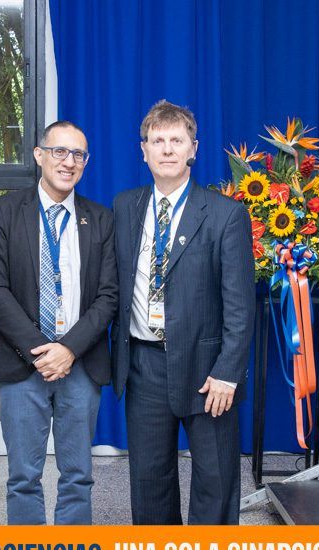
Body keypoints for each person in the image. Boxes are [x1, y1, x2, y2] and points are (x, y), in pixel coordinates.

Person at [111, 100, 254, 525]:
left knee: (215, 479)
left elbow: (240, 305)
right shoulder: (125, 207)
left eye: (177, 140)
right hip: (144, 364)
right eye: (158, 141)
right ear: (144, 151)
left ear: (194, 149)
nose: (167, 149)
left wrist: (228, 371)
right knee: (149, 479)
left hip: (207, 371)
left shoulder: (226, 214)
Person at [0, 120, 117, 525]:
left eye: (78, 154)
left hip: (81, 362)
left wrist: (68, 349)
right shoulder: (6, 211)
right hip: (23, 363)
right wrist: (42, 352)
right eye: (60, 151)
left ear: (85, 162)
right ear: (39, 155)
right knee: (23, 477)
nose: (68, 161)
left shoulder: (101, 219)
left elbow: (108, 296)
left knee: (78, 475)